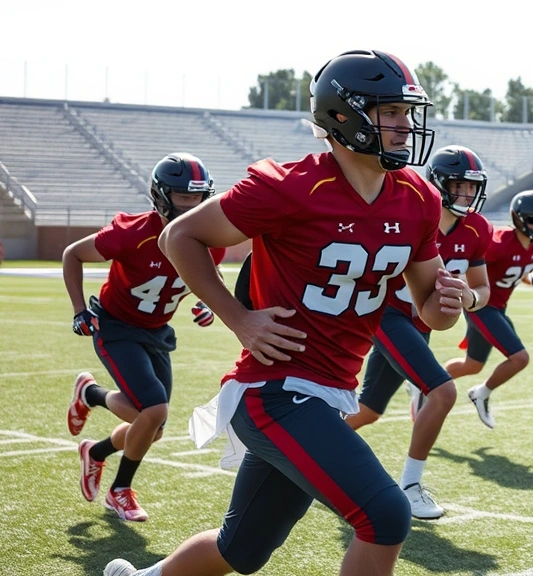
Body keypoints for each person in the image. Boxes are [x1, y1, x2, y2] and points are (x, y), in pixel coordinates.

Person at [104, 49, 466, 576]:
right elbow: (179, 235)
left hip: (330, 391)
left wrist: (452, 303)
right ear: (344, 116)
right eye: (391, 113)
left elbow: (433, 312)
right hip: (273, 392)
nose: (405, 127)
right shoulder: (289, 185)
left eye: (407, 114)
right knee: (385, 514)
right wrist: (238, 318)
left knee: (242, 550)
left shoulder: (417, 198)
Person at [62, 153, 222, 523]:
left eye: (198, 197)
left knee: (154, 428)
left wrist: (208, 304)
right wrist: (77, 310)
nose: (193, 205)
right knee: (153, 411)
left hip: (155, 332)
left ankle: (95, 436)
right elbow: (73, 255)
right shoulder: (131, 233)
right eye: (183, 196)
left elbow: (206, 282)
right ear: (162, 195)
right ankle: (120, 492)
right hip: (116, 327)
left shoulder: (210, 238)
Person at [345, 145, 493, 520]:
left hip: (421, 324)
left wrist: (469, 298)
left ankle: (298, 455)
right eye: (458, 186)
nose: (466, 195)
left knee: (367, 411)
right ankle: (410, 486)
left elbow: (482, 288)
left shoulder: (476, 228)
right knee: (443, 391)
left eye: (470, 187)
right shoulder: (411, 213)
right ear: (440, 185)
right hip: (389, 313)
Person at [443, 190, 533, 429]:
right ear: (519, 219)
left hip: (498, 307)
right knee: (519, 358)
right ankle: (481, 393)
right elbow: (469, 266)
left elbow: (520, 269)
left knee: (472, 365)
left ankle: (424, 381)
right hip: (481, 306)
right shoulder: (498, 243)